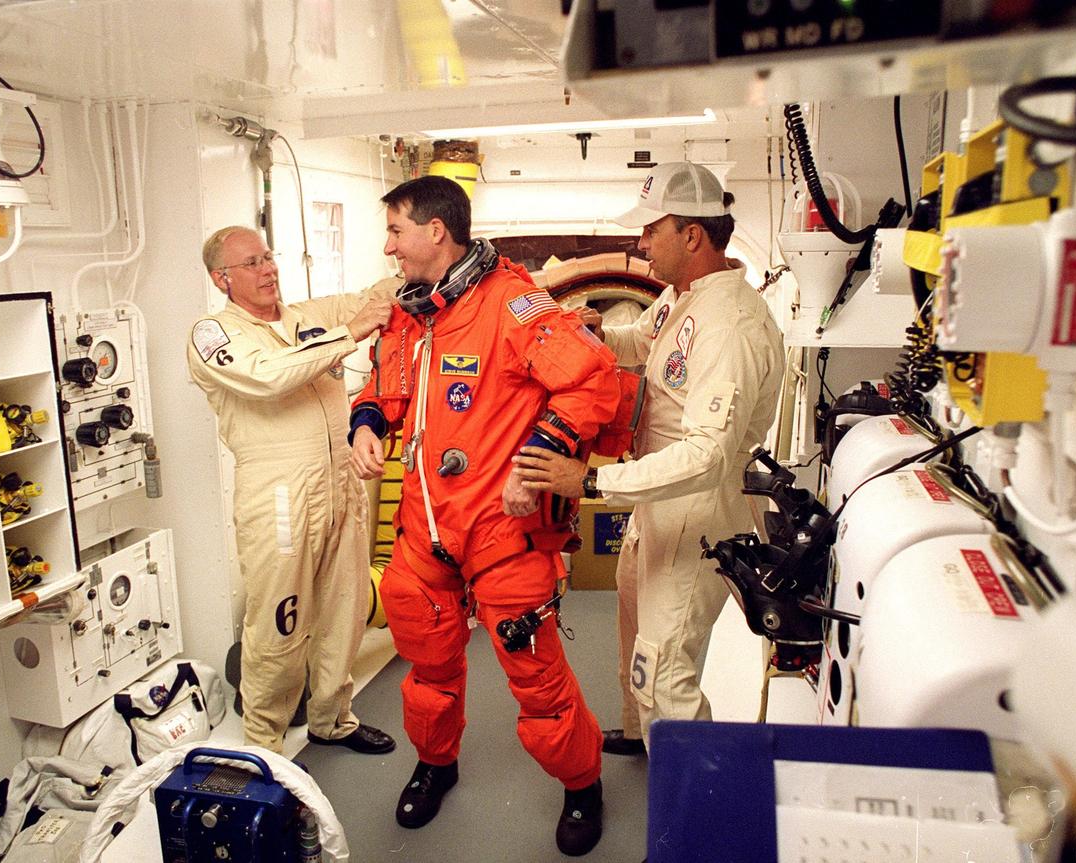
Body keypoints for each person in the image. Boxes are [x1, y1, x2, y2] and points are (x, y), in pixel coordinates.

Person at [348, 176, 621, 857]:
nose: (389, 248)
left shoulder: (512, 304)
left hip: (502, 530)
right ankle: (437, 764)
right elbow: (386, 388)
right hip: (427, 528)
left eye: (395, 231)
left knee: (537, 678)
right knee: (428, 669)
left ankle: (583, 783)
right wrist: (366, 423)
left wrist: (538, 461)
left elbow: (593, 378)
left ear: (435, 232)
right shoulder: (414, 314)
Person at [512, 162, 785, 755]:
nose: (640, 243)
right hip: (657, 500)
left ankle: (693, 813)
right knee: (635, 623)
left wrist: (589, 480)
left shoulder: (730, 324)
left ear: (692, 235)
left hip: (697, 506)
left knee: (664, 668)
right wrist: (595, 333)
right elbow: (641, 342)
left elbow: (708, 455)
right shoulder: (679, 297)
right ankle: (641, 735)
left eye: (650, 230)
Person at [187, 225, 397, 756]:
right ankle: (265, 745)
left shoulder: (307, 316)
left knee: (343, 610)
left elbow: (377, 296)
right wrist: (350, 333)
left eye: (268, 257)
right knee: (279, 622)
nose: (268, 269)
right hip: (278, 495)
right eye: (251, 263)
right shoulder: (212, 335)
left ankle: (333, 718)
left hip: (339, 481)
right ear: (222, 278)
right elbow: (267, 376)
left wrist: (429, 264)